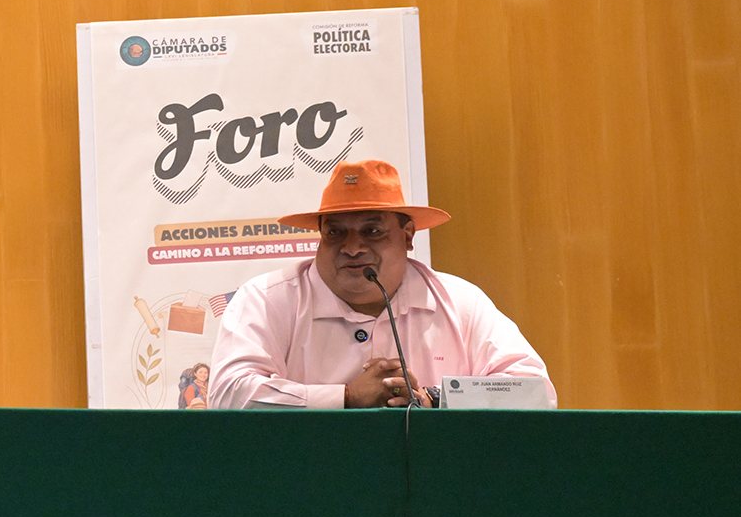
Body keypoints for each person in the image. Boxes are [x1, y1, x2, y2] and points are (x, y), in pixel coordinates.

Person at [207, 159, 552, 409]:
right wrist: (346, 397)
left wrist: (434, 399)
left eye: (372, 231)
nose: (352, 247)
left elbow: (536, 391)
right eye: (335, 233)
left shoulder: (460, 302)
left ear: (407, 236)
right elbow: (228, 394)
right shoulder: (267, 299)